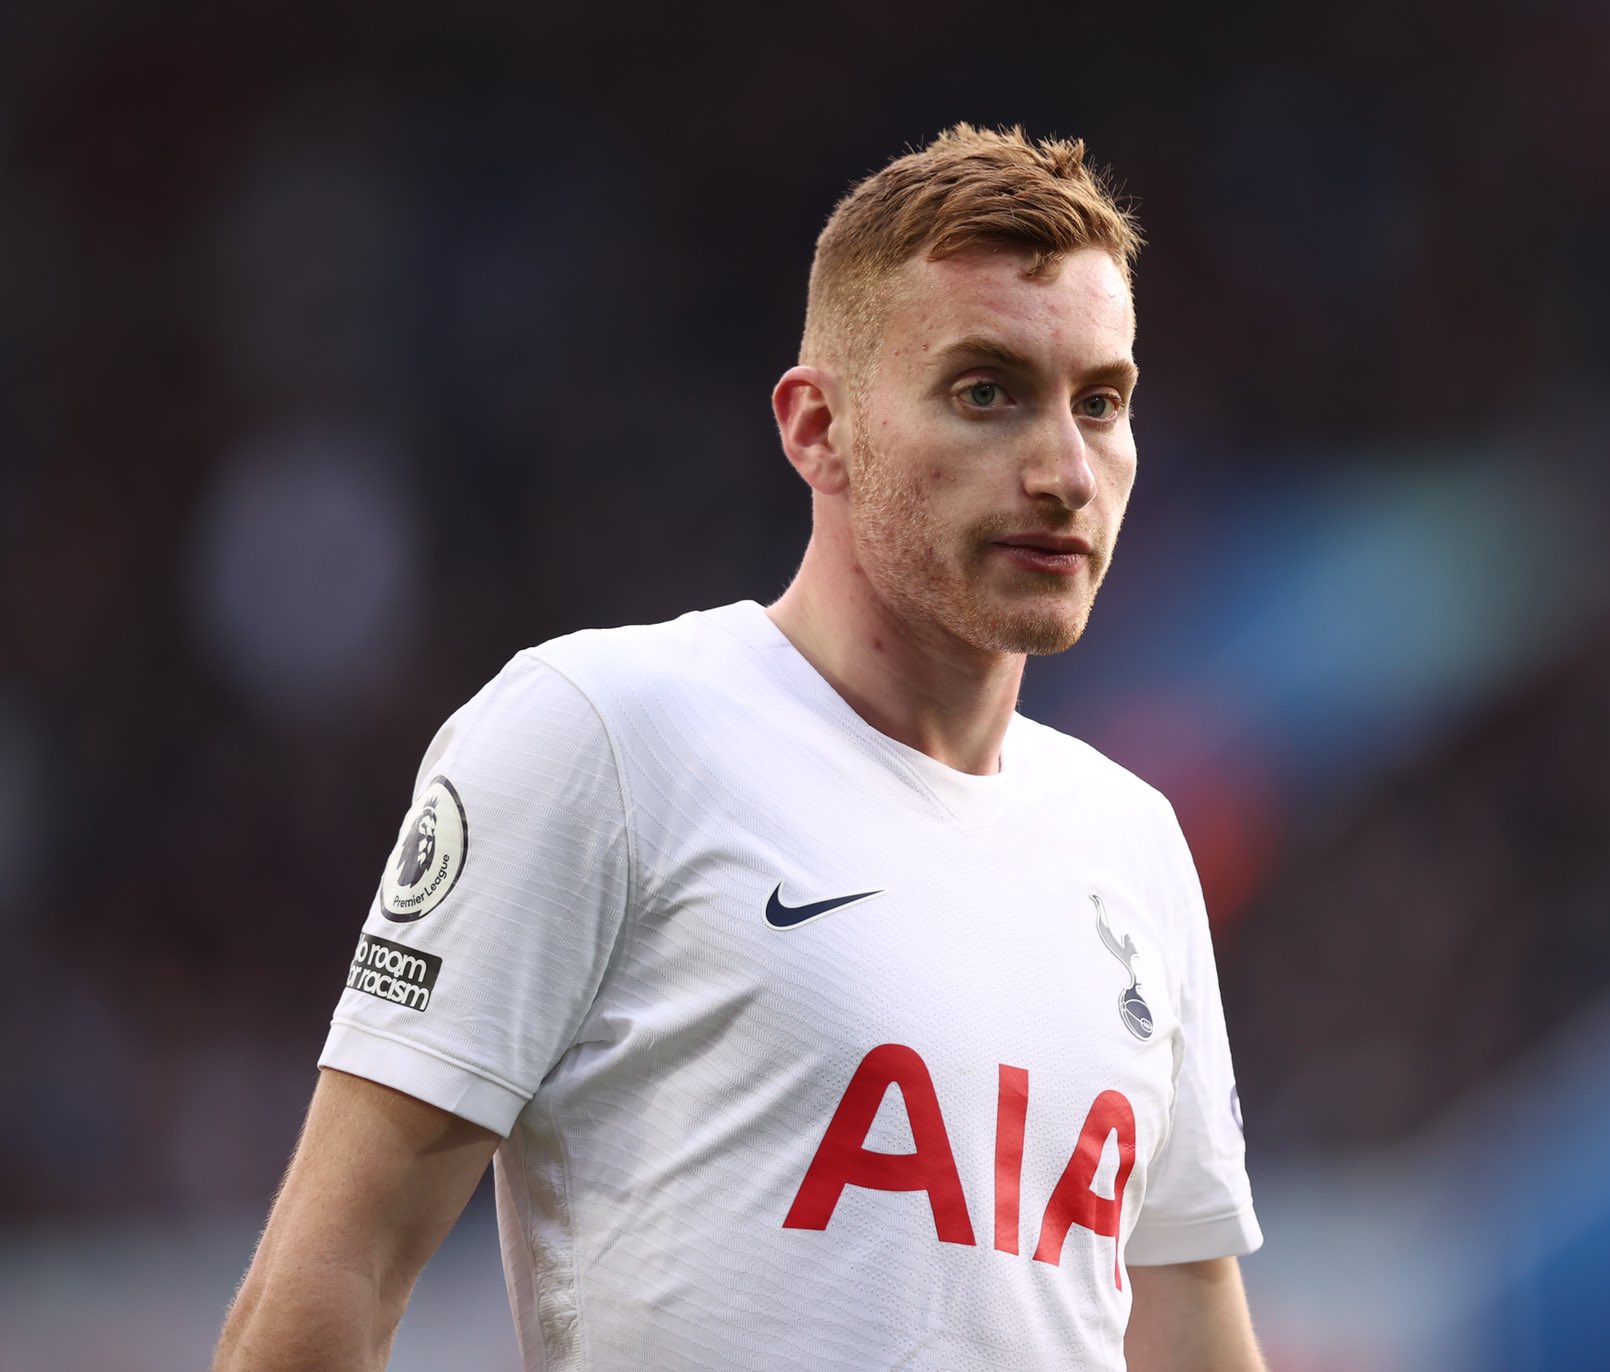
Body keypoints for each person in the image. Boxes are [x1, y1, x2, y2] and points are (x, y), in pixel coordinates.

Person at [214, 123, 1265, 1372]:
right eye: (986, 392)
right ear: (817, 428)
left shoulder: (1131, 840)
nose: (1064, 472)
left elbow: (1189, 1331)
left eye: (1099, 403)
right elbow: (329, 1281)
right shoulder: (603, 732)